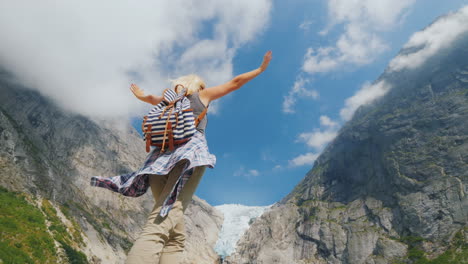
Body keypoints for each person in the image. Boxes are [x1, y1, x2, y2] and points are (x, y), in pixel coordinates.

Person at [90, 51, 272, 264]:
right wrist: (260, 69)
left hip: (156, 162)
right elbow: (235, 82)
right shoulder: (200, 96)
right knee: (160, 222)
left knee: (176, 235)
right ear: (199, 87)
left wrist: (140, 95)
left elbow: (149, 98)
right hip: (188, 155)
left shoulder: (169, 100)